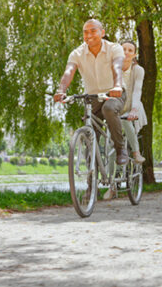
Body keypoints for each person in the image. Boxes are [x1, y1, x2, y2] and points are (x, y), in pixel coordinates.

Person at [53, 19, 127, 199]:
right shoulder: (78, 53)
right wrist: (61, 90)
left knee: (109, 109)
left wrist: (117, 85)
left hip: (114, 94)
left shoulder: (114, 48)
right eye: (85, 32)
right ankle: (91, 184)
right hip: (93, 97)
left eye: (93, 31)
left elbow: (117, 67)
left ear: (102, 32)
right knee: (89, 139)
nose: (89, 35)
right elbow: (68, 72)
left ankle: (120, 148)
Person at [120, 40, 147, 164]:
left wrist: (134, 109)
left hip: (133, 107)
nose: (126, 52)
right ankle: (108, 179)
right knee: (112, 143)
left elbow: (137, 91)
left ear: (134, 55)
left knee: (124, 121)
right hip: (118, 108)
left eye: (130, 50)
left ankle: (136, 153)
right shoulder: (113, 69)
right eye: (123, 49)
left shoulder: (138, 70)